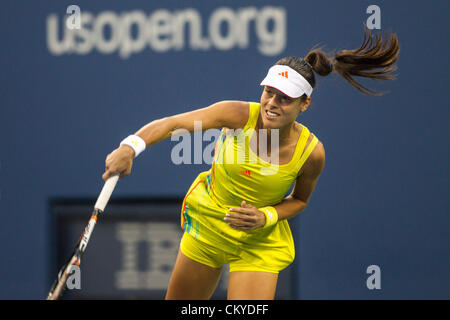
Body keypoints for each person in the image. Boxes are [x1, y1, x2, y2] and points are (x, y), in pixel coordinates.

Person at [102, 27, 400, 300]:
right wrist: (131, 146)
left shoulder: (312, 153)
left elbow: (299, 201)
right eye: (269, 92)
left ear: (304, 104)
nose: (272, 103)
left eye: (285, 98)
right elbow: (171, 124)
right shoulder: (236, 114)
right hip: (209, 224)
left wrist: (266, 216)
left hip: (259, 241)